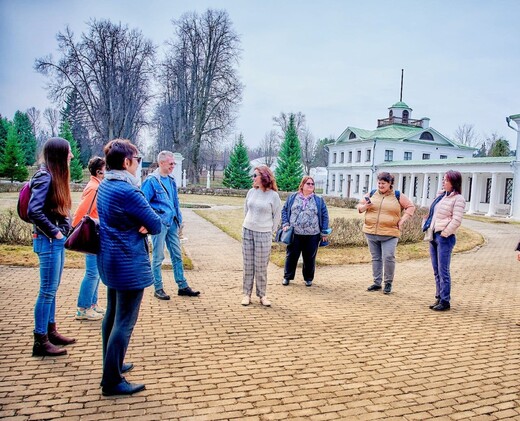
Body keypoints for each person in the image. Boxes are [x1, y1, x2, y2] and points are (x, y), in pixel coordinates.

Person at [97, 139, 162, 396]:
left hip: (111, 259)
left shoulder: (106, 185)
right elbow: (155, 223)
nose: (139, 164)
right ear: (126, 163)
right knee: (124, 322)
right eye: (137, 160)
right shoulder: (128, 191)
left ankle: (112, 363)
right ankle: (112, 380)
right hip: (128, 262)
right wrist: (144, 222)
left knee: (112, 315)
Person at [28, 137, 76, 357]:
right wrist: (55, 232)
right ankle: (40, 340)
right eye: (68, 152)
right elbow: (34, 211)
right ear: (58, 154)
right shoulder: (45, 177)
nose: (72, 156)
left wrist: (64, 227)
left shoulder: (52, 177)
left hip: (53, 241)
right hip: (47, 241)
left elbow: (56, 209)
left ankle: (51, 330)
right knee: (47, 291)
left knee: (52, 290)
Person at [141, 151, 200, 300]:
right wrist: (150, 221)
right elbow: (142, 203)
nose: (173, 166)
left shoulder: (171, 180)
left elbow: (175, 202)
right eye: (171, 163)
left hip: (172, 223)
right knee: (158, 257)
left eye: (174, 163)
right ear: (161, 163)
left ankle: (182, 286)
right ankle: (158, 287)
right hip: (159, 224)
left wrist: (179, 220)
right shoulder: (151, 181)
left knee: (176, 255)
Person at [358, 172, 415, 295]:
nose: (380, 185)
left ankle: (388, 282)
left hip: (390, 233)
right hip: (371, 232)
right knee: (376, 258)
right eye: (379, 183)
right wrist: (364, 207)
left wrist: (402, 220)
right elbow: (359, 206)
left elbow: (410, 207)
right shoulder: (372, 193)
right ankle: (377, 282)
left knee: (388, 257)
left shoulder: (398, 195)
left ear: (390, 184)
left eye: (383, 183)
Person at [423, 170, 466, 312]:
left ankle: (445, 300)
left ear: (454, 182)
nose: (443, 182)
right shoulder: (441, 196)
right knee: (436, 270)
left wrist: (444, 234)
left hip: (444, 238)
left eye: (446, 180)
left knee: (443, 270)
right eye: (443, 180)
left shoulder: (458, 199)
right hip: (433, 235)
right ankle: (439, 296)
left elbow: (457, 220)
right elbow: (433, 214)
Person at [241, 166, 281, 307]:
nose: (253, 178)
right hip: (248, 231)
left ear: (263, 177)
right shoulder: (251, 192)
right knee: (248, 265)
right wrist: (248, 223)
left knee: (261, 266)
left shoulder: (273, 196)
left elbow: (277, 216)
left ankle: (262, 295)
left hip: (264, 233)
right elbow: (246, 210)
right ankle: (246, 294)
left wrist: (272, 232)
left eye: (255, 175)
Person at [281, 176, 330, 287]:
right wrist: (285, 224)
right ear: (302, 185)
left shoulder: (318, 200)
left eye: (312, 184)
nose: (311, 185)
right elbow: (284, 210)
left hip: (313, 234)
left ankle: (308, 278)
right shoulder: (293, 197)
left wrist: (324, 232)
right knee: (291, 256)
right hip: (295, 234)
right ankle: (287, 277)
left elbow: (324, 215)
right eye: (308, 183)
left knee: (309, 257)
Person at [73, 157, 106, 321]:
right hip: (92, 234)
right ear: (99, 171)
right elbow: (82, 211)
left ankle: (92, 304)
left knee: (96, 272)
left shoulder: (97, 186)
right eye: (105, 168)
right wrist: (74, 229)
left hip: (97, 234)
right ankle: (83, 307)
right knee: (92, 273)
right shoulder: (94, 188)